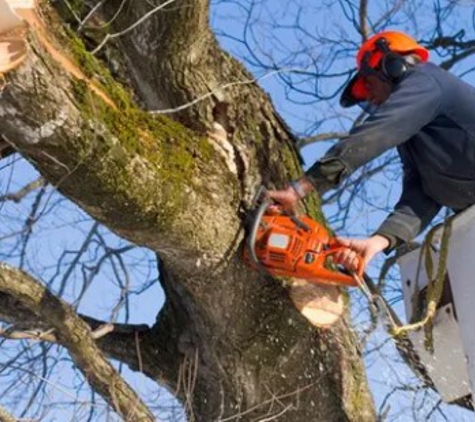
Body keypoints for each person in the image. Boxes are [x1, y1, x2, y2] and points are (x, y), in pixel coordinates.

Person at [269, 31, 475, 273]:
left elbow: (374, 134)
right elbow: (421, 195)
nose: (371, 98)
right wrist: (378, 242)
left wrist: (301, 188)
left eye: (369, 85)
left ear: (392, 66)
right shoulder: (416, 135)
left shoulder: (427, 81)